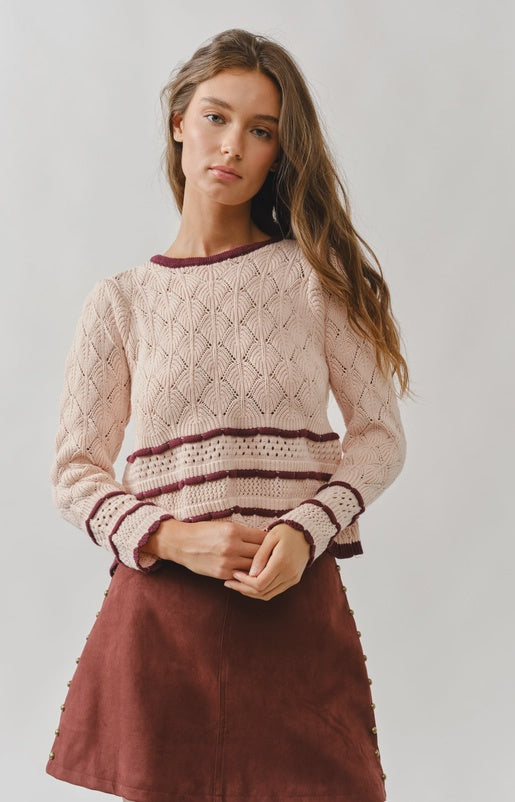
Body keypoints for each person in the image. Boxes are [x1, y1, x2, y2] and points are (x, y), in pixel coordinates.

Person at [45, 27, 410, 802]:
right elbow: (74, 473)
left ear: (280, 151)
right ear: (179, 121)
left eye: (261, 129)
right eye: (215, 116)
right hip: (162, 620)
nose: (233, 145)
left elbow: (379, 436)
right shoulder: (120, 302)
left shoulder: (314, 279)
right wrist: (174, 537)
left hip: (291, 599)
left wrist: (305, 529)